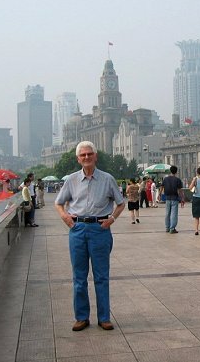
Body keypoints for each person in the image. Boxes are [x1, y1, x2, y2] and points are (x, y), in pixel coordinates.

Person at [54, 141, 125, 332]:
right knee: (79, 277)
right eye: (83, 155)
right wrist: (66, 218)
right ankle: (82, 317)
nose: (86, 157)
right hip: (78, 230)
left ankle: (104, 317)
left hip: (99, 230)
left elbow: (121, 203)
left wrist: (111, 219)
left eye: (89, 154)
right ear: (78, 159)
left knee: (101, 276)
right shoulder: (71, 180)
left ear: (96, 156)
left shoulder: (107, 179)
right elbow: (59, 203)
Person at [157, 165, 184, 234]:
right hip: (175, 198)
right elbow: (180, 190)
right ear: (176, 172)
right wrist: (182, 199)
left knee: (167, 213)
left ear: (170, 171)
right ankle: (172, 228)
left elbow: (162, 187)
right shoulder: (178, 180)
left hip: (167, 198)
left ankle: (167, 227)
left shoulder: (165, 179)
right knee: (174, 214)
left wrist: (159, 195)